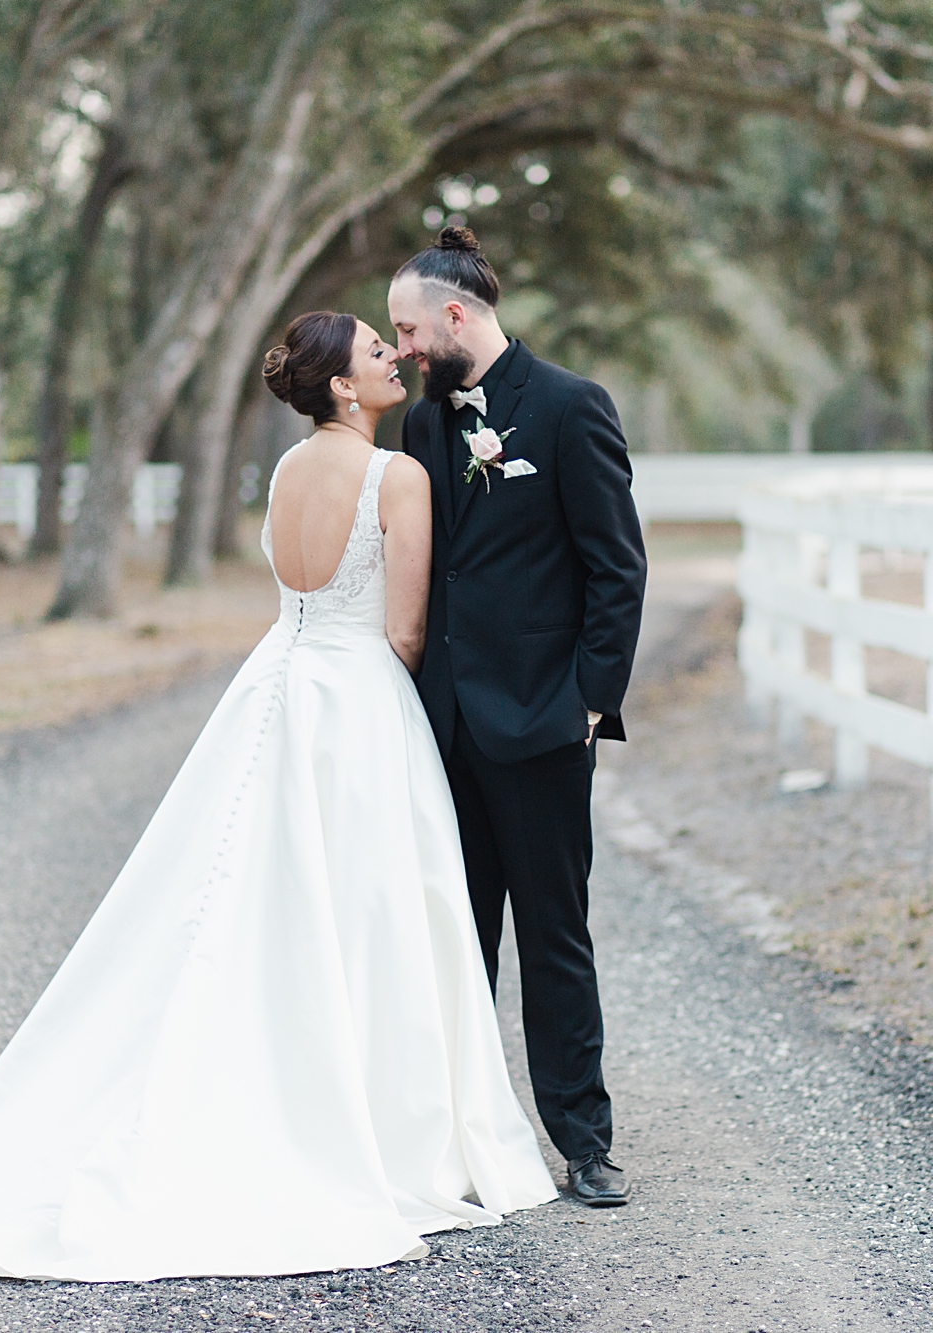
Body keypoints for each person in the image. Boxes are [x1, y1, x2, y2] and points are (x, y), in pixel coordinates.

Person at [0, 312, 556, 1282]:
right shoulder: (398, 476)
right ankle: (371, 1119)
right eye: (377, 352)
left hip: (273, 683)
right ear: (342, 386)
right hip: (356, 699)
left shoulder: (287, 472)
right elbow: (406, 629)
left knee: (245, 893)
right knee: (366, 906)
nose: (394, 358)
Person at [387, 227, 648, 1207]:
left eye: (408, 330)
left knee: (553, 939)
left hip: (542, 724)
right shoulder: (422, 429)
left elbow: (616, 567)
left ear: (455, 315)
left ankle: (584, 1141)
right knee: (454, 945)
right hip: (443, 728)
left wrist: (589, 701)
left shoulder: (572, 408)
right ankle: (457, 1143)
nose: (404, 349)